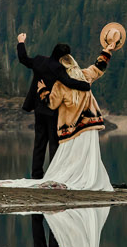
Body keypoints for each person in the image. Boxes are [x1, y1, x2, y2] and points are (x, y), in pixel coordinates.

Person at [41, 39, 117, 191]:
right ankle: (87, 179)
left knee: (71, 158)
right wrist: (107, 50)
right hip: (90, 125)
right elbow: (99, 67)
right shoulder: (84, 76)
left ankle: (74, 180)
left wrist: (42, 91)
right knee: (88, 156)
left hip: (71, 128)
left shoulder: (60, 85)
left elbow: (52, 104)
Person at [15, 33, 88, 178]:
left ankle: (36, 174)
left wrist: (21, 42)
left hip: (38, 108)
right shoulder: (59, 69)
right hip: (52, 109)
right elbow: (69, 82)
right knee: (54, 143)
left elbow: (23, 59)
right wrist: (85, 85)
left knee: (39, 142)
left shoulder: (39, 61)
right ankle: (54, 174)